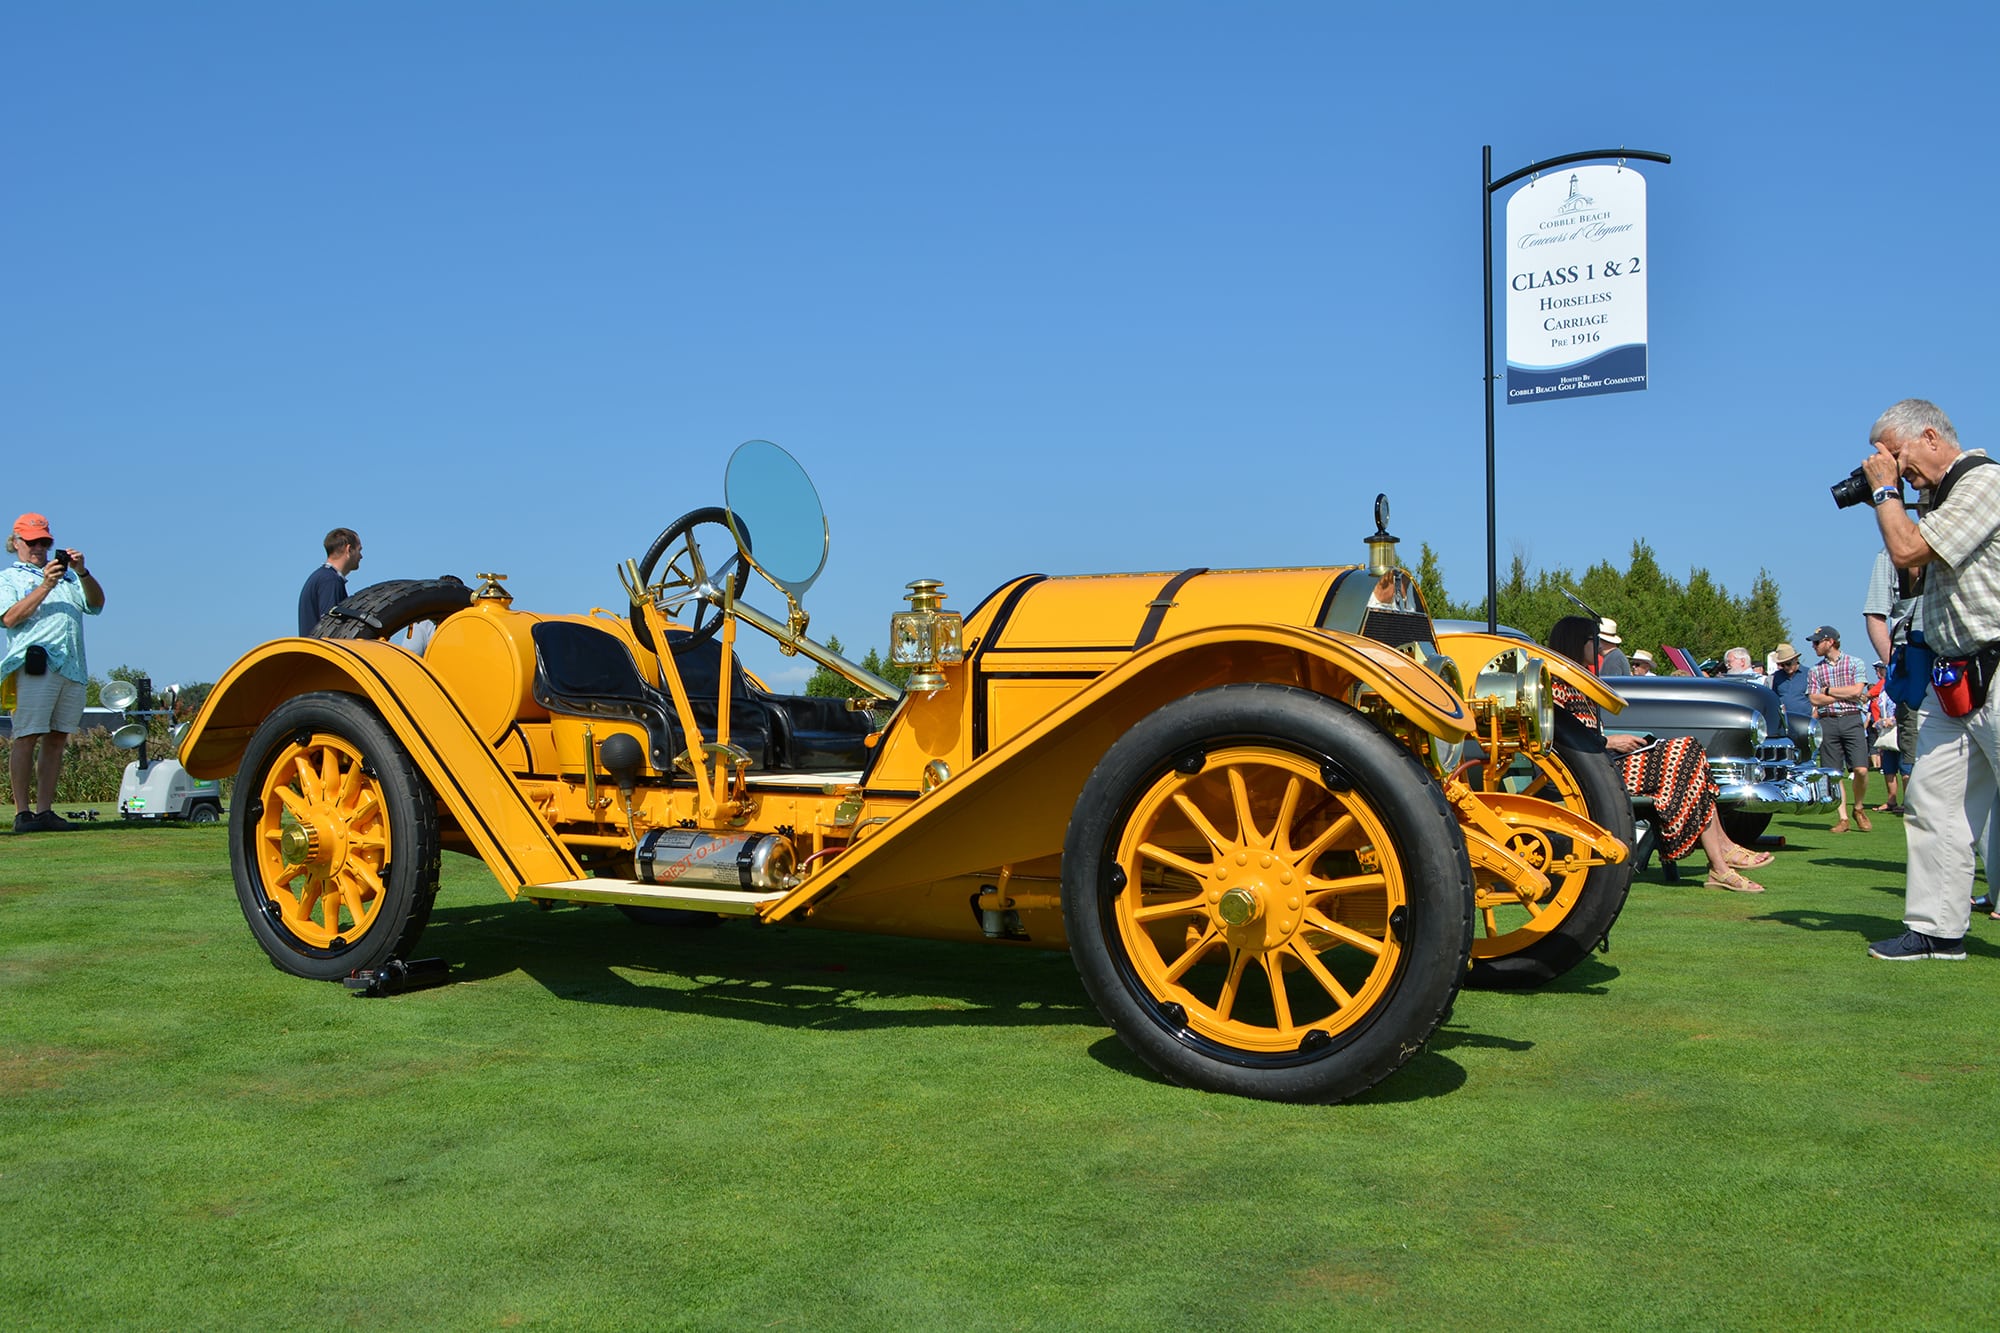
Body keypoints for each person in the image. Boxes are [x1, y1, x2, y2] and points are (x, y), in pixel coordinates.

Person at [1858, 399, 2000, 961]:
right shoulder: (1941, 498)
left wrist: (1885, 493)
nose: (1891, 467)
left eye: (1894, 455)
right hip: (1955, 673)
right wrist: (1897, 497)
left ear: (1931, 437)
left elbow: (1908, 548)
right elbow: (1912, 570)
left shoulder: (1984, 481)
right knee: (1932, 804)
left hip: (1996, 663)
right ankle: (1937, 930)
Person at [1548, 615, 1771, 892]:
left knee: (1691, 754)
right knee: (1687, 754)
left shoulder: (1578, 679)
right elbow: (1555, 736)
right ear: (1575, 642)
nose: (1597, 647)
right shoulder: (1555, 682)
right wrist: (1610, 741)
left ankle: (1722, 860)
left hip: (1602, 763)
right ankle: (1721, 861)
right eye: (1592, 640)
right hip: (1584, 772)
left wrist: (1618, 741)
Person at [1, 513, 106, 833]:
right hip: (35, 666)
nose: (39, 548)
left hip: (72, 666)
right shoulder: (9, 578)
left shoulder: (71, 578)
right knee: (26, 736)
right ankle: (22, 813)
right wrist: (46, 584)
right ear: (16, 543)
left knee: (57, 738)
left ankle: (45, 810)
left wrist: (82, 571)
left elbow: (97, 605)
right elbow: (9, 618)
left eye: (45, 542)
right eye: (32, 542)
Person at [1862, 544, 1923, 809]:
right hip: (1913, 665)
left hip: (1967, 662)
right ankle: (1915, 807)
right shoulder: (1891, 553)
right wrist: (1893, 665)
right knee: (1914, 756)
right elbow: (1875, 614)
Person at [1806, 625, 1873, 833]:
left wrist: (1828, 690)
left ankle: (1858, 808)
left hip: (1852, 719)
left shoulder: (1855, 663)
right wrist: (1844, 695)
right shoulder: (1815, 670)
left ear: (1830, 642)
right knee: (1834, 774)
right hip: (1827, 721)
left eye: (1817, 642)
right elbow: (1814, 698)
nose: (1814, 646)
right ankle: (1843, 818)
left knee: (1861, 770)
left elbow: (1857, 690)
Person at [298, 527, 362, 635]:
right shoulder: (330, 580)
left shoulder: (323, 577)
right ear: (349, 549)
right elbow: (330, 627)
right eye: (359, 550)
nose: (361, 556)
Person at [1768, 642, 1812, 724]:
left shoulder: (1809, 673)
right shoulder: (1777, 676)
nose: (1785, 667)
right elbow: (1775, 698)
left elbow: (1816, 699)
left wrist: (1813, 718)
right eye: (1782, 665)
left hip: (1805, 720)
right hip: (1784, 721)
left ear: (1796, 659)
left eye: (1788, 664)